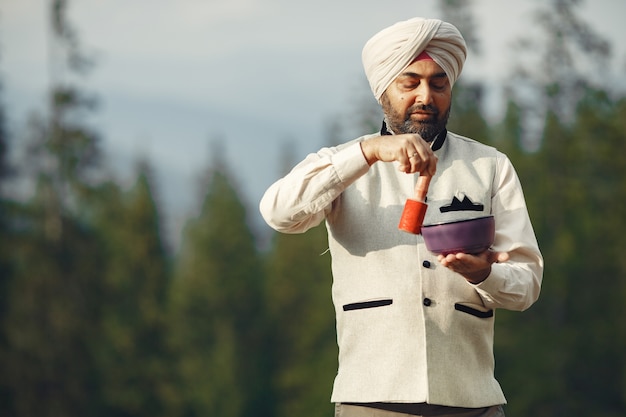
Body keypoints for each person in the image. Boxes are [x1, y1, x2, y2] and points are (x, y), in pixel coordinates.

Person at [259, 17, 543, 417]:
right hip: (371, 397)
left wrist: (484, 274)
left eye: (438, 84)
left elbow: (526, 284)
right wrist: (368, 153)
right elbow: (279, 213)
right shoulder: (345, 164)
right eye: (410, 83)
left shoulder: (489, 166)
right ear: (383, 91)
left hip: (471, 399)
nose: (425, 96)